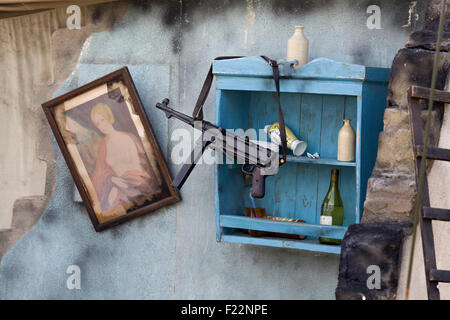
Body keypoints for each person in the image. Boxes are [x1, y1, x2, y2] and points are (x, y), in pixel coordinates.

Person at [89, 103, 159, 211]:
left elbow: (142, 166)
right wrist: (112, 179)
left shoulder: (128, 137)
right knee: (111, 202)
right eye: (98, 124)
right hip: (116, 187)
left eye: (102, 120)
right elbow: (100, 172)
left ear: (108, 116)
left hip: (137, 184)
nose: (101, 126)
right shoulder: (103, 146)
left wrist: (129, 183)